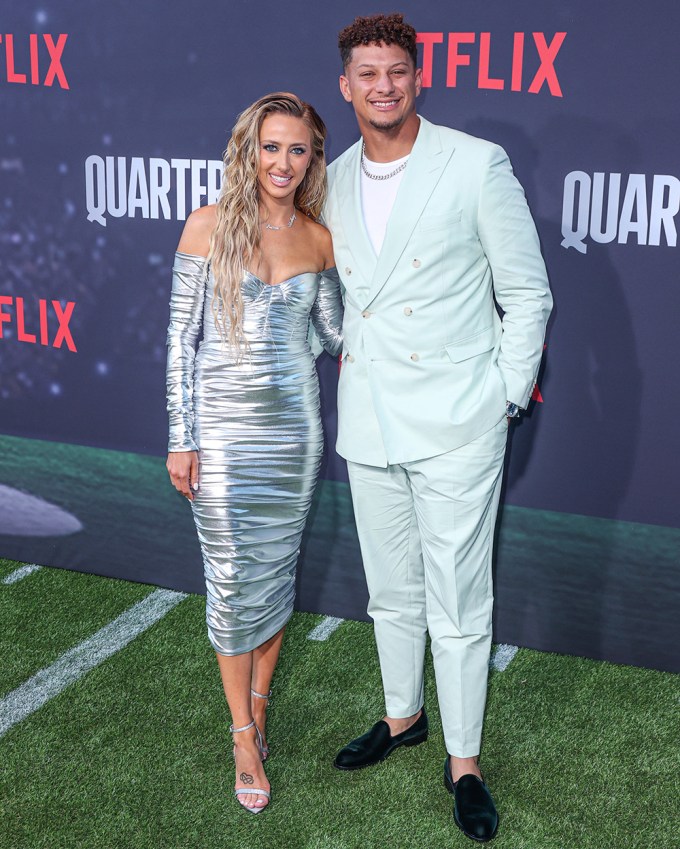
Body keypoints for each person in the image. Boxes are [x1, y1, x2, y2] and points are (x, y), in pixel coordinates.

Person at [323, 14, 552, 843]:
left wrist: (504, 397)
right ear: (345, 86)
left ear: (418, 77)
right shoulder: (332, 176)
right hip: (370, 421)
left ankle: (464, 760)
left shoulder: (475, 163)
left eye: (397, 71)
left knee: (459, 601)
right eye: (367, 73)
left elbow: (528, 293)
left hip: (460, 418)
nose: (383, 85)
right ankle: (401, 715)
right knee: (390, 591)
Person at [165, 93, 342, 814]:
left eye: (297, 150)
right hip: (224, 436)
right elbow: (181, 343)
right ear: (249, 150)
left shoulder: (318, 237)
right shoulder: (205, 228)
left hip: (295, 433)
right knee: (234, 580)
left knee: (275, 578)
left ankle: (260, 704)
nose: (283, 162)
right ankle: (242, 735)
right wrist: (182, 435)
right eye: (272, 147)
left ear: (312, 159)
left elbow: (333, 336)